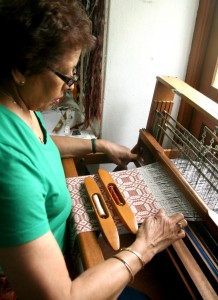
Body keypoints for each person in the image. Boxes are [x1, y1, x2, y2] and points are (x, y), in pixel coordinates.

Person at [0, 1, 187, 299]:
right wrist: (146, 245)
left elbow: (38, 146)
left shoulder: (18, 106)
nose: (69, 89)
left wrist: (98, 146)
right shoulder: (6, 159)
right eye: (66, 77)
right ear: (20, 69)